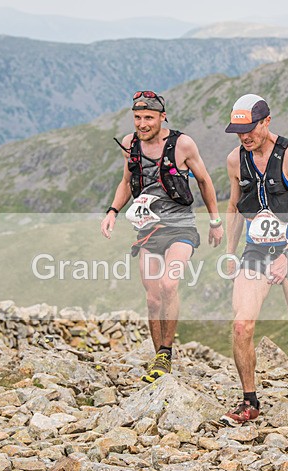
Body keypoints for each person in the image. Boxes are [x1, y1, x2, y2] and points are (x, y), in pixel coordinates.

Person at [222, 93, 288, 425]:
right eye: (239, 131)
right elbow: (234, 207)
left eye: (250, 129)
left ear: (266, 121)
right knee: (241, 325)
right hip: (256, 250)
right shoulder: (235, 160)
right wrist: (229, 252)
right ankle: (250, 401)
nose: (245, 137)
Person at [101, 90, 223, 383]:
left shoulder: (182, 145)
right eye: (137, 117)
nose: (142, 124)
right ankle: (160, 360)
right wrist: (113, 211)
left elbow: (204, 181)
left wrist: (215, 221)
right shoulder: (130, 144)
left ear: (162, 117)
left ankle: (166, 352)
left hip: (180, 226)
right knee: (153, 298)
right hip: (147, 229)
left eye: (149, 118)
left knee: (169, 284)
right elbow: (127, 182)